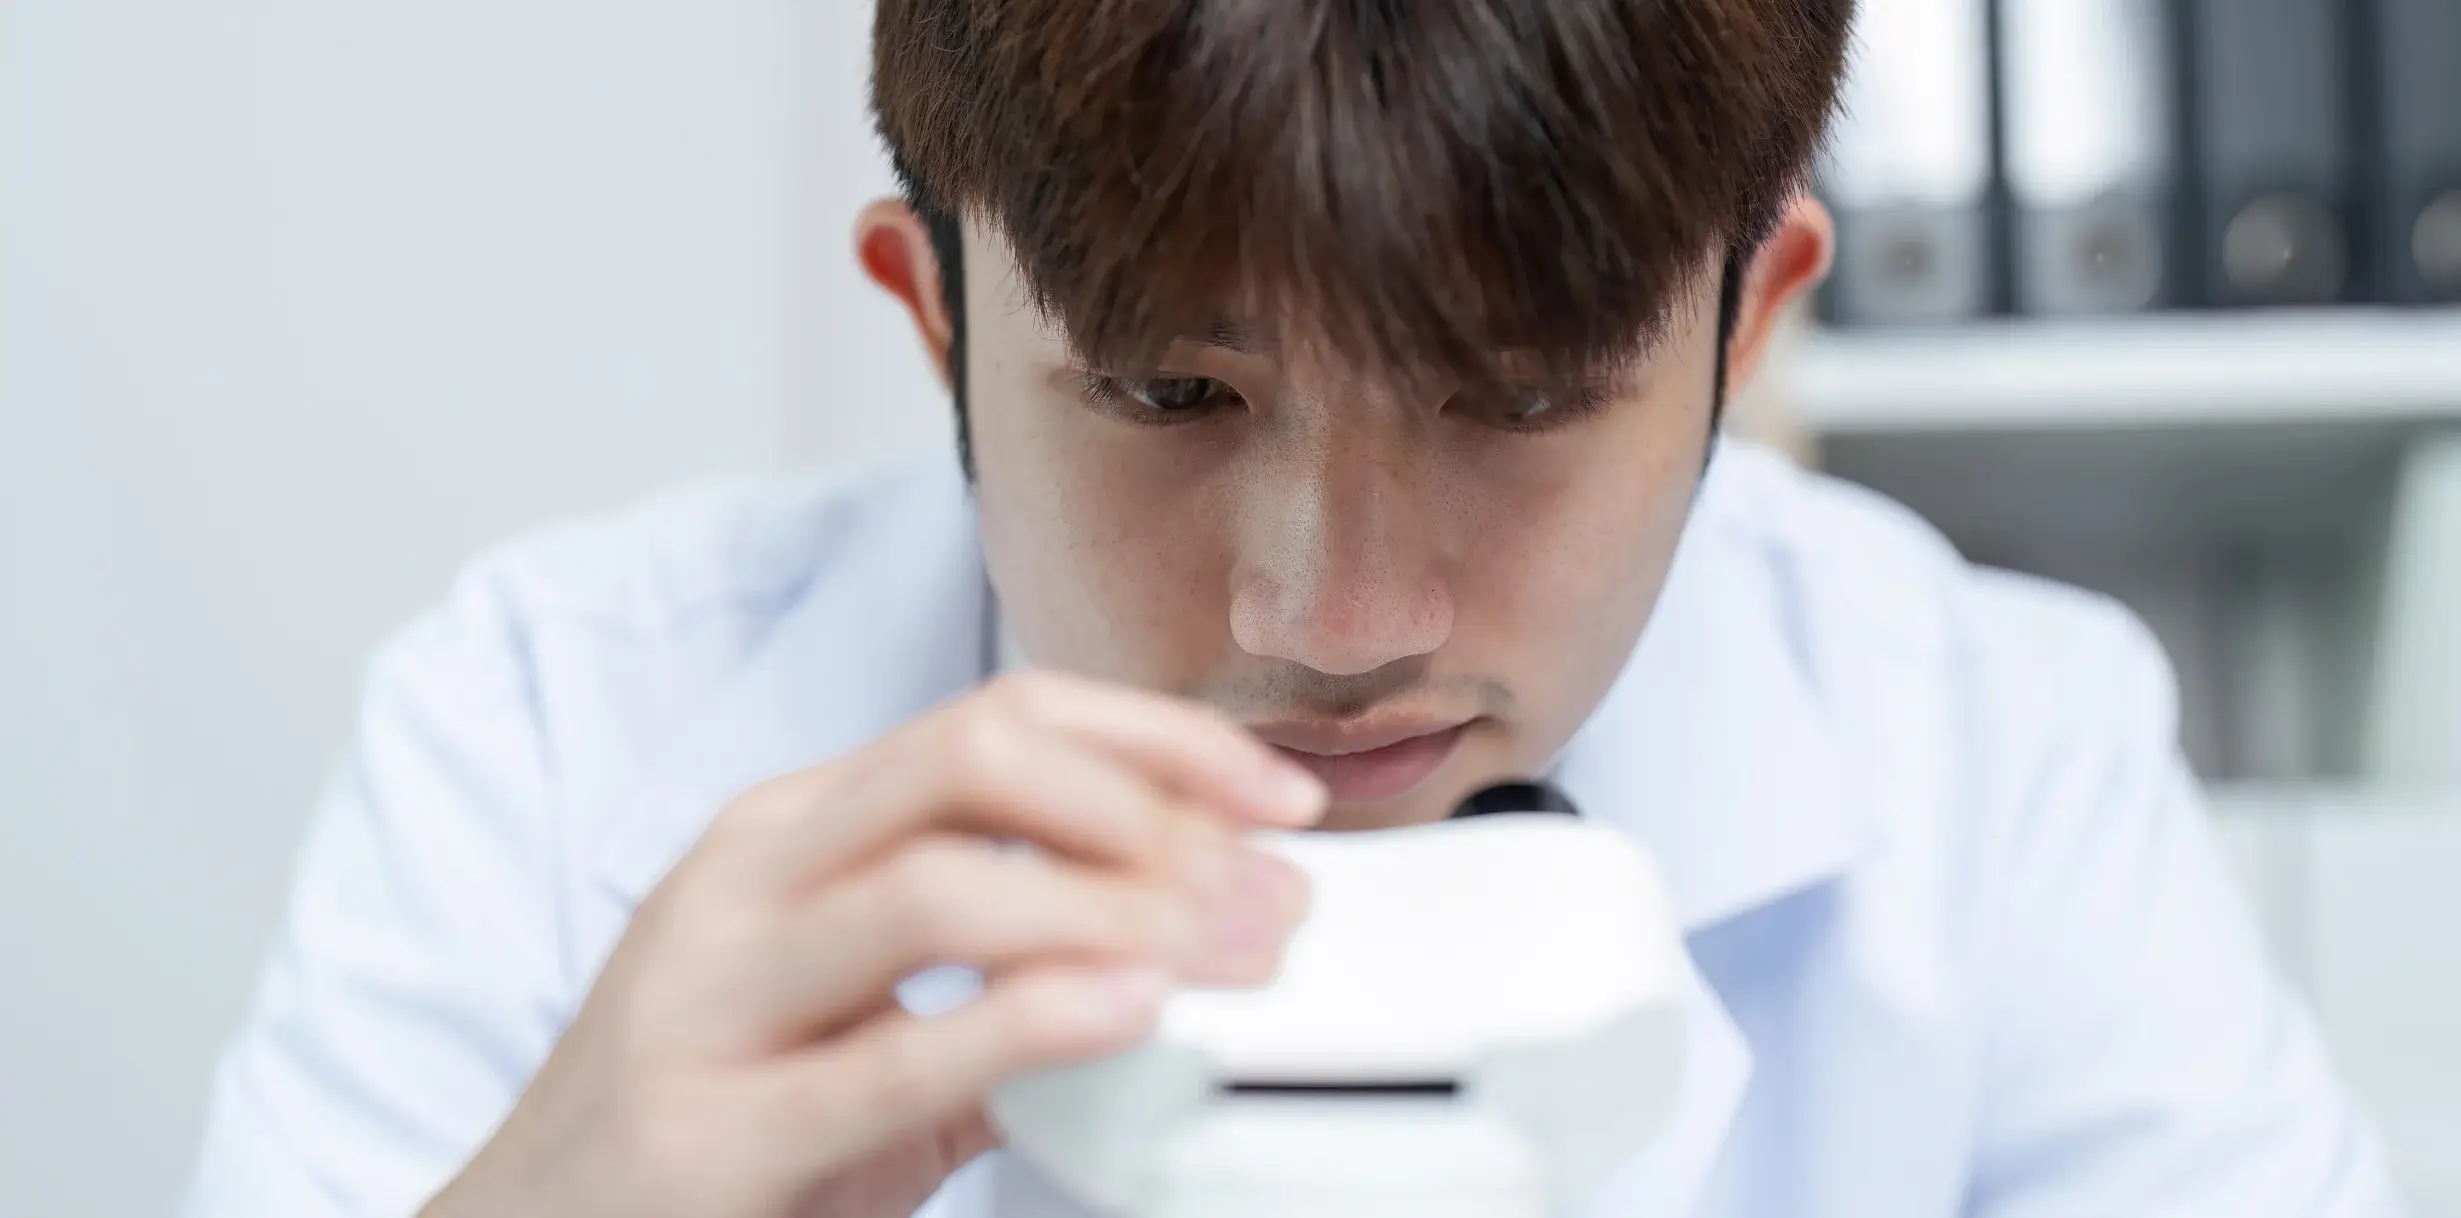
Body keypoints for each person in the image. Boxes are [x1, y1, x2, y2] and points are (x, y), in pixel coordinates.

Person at [180, 1, 2406, 1215]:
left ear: (1747, 331)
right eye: (1169, 390)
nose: (1332, 617)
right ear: (937, 317)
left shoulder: (2005, 763)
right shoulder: (551, 730)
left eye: (1522, 397)